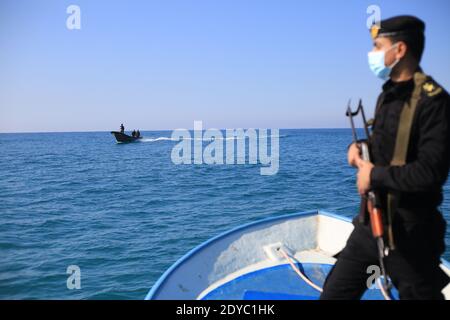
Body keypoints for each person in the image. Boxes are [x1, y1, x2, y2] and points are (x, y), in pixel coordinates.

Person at [320, 15, 450, 300]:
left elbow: (431, 172)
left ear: (400, 50)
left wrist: (373, 175)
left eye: (378, 46)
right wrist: (357, 150)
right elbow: (385, 148)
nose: (373, 54)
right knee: (334, 295)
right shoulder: (387, 95)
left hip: (410, 234)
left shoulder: (434, 101)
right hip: (369, 224)